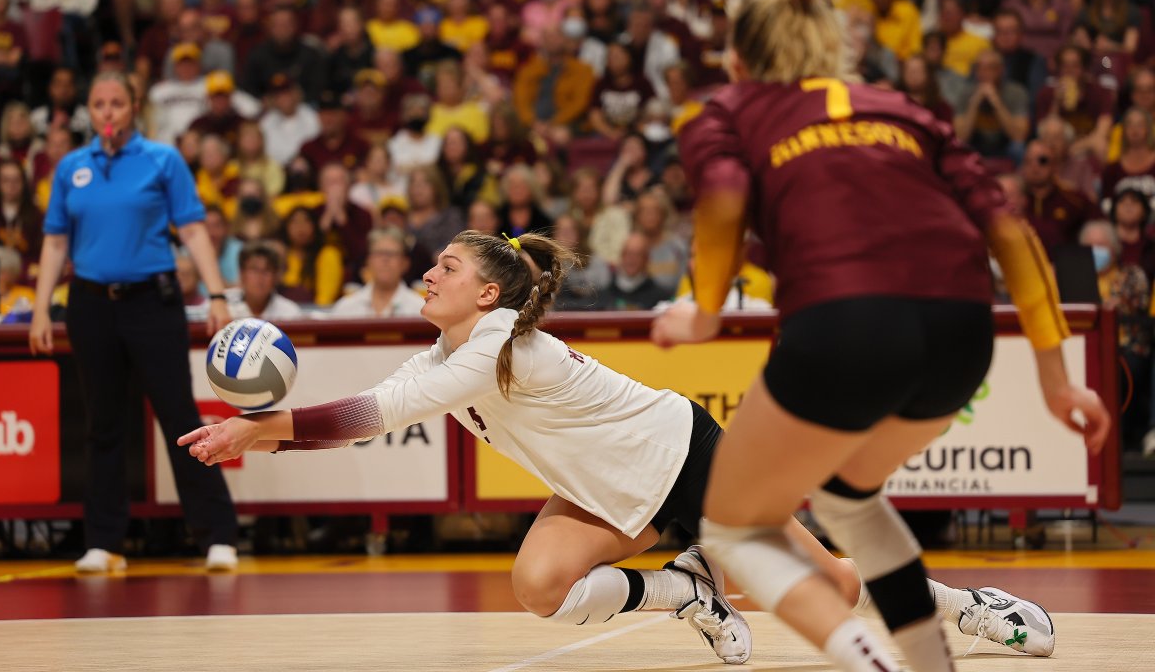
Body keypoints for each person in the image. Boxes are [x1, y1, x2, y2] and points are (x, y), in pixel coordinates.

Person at [179, 230, 1060, 665]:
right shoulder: (447, 353)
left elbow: (367, 413)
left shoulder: (499, 347)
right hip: (605, 494)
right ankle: (683, 589)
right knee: (537, 587)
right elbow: (375, 409)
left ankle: (970, 608)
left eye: (447, 266)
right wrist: (255, 439)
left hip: (685, 458)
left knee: (827, 580)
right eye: (433, 264)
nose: (429, 273)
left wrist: (256, 430)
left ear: (487, 291)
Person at [651, 0, 1109, 672]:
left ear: (737, 60)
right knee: (847, 497)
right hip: (963, 333)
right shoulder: (904, 109)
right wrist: (1056, 376)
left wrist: (702, 314)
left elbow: (725, 202)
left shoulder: (730, 111)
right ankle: (932, 663)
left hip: (848, 323)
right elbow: (1010, 231)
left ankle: (875, 662)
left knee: (735, 527)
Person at [28, 71, 240, 575]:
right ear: (89, 110)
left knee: (179, 418)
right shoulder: (71, 167)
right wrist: (40, 307)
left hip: (152, 302)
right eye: (98, 103)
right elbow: (56, 242)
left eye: (116, 103)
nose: (107, 112)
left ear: (134, 106)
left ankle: (218, 535)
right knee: (103, 424)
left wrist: (216, 294)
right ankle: (103, 542)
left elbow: (192, 229)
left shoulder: (161, 160)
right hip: (89, 304)